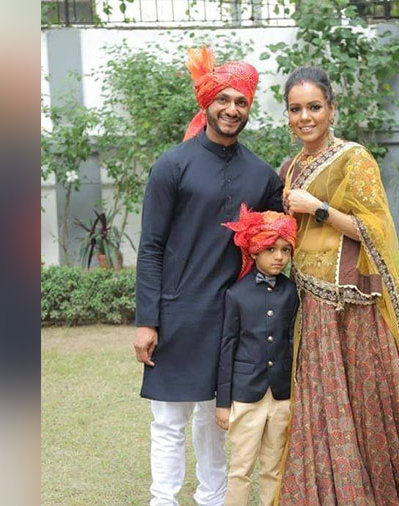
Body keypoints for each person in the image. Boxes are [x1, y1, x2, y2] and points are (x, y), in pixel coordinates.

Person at [277, 66, 399, 505]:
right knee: (320, 406)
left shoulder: (354, 159)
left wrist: (318, 209)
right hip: (310, 304)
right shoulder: (290, 167)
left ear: (331, 110)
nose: (305, 117)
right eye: (296, 109)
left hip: (351, 305)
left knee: (365, 404)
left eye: (314, 107)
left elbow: (375, 227)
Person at [132, 46, 284, 506]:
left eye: (241, 102)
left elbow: (274, 244)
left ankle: (213, 499)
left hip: (231, 319)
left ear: (248, 108)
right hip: (177, 313)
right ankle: (163, 499)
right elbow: (152, 247)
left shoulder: (261, 176)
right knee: (169, 421)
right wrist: (147, 319)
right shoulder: (172, 166)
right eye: (224, 100)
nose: (232, 109)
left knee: (216, 419)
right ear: (207, 102)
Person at [216, 204, 299, 506]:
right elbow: (227, 348)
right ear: (254, 251)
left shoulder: (291, 292)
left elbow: (292, 339)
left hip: (281, 395)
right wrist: (223, 403)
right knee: (240, 468)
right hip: (245, 396)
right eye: (271, 249)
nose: (279, 257)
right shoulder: (235, 294)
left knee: (274, 467)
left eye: (285, 250)